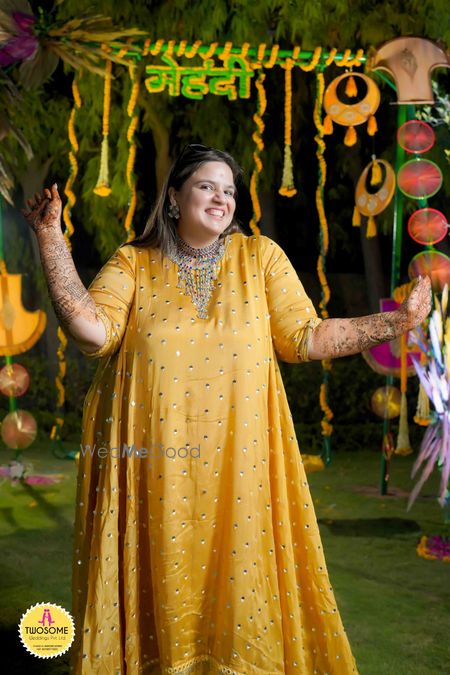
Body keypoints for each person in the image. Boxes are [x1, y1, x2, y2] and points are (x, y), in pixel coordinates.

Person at [23, 144, 431, 674]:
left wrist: (394, 323)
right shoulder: (134, 262)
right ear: (174, 198)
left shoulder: (260, 258)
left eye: (229, 190)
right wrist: (51, 238)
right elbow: (91, 331)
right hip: (151, 467)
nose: (221, 198)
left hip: (242, 468)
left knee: (239, 594)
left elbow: (306, 337)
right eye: (206, 186)